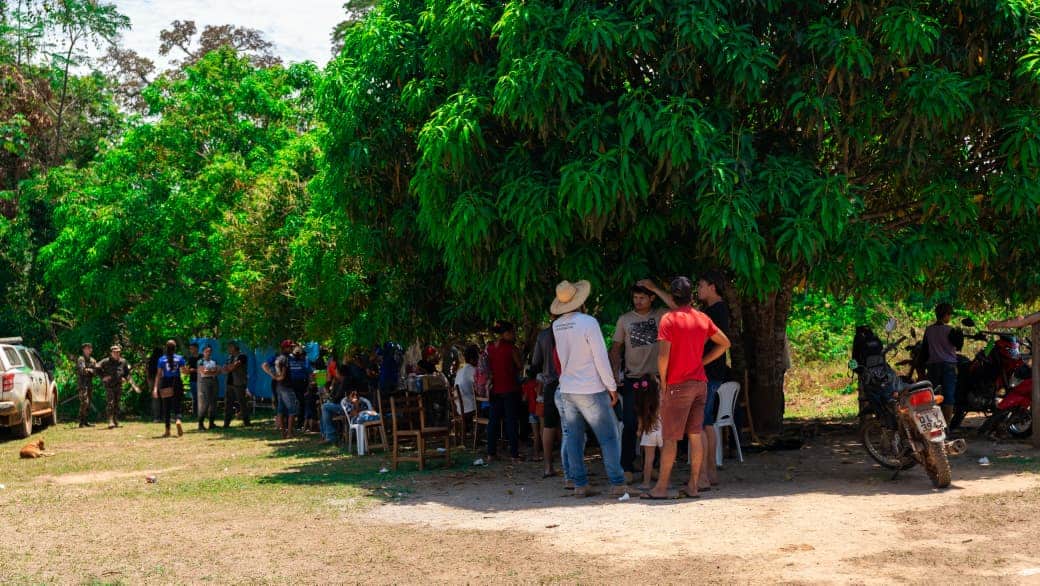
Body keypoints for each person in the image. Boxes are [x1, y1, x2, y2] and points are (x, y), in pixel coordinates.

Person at [644, 276, 730, 500]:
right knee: (695, 433)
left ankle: (661, 487)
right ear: (691, 296)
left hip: (677, 384)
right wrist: (703, 362)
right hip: (700, 383)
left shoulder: (668, 320)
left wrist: (664, 383)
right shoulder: (702, 317)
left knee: (670, 437)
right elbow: (725, 343)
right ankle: (694, 485)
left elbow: (663, 356)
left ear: (673, 297)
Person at [551, 279, 627, 497]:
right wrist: (611, 387)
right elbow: (600, 357)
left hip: (567, 388)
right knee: (609, 437)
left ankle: (580, 484)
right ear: (580, 301)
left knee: (574, 438)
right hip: (590, 388)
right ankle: (617, 482)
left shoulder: (557, 325)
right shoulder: (588, 322)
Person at [610, 283, 671, 483]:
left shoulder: (661, 315)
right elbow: (616, 348)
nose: (638, 301)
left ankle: (651, 467)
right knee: (630, 423)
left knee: (655, 424)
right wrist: (614, 373)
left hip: (655, 379)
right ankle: (627, 467)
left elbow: (678, 307)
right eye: (635, 297)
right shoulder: (624, 319)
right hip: (632, 379)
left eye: (642, 298)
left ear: (652, 298)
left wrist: (656, 288)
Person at [696, 271, 730, 488]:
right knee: (706, 420)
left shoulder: (718, 310)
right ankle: (710, 471)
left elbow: (723, 343)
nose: (698, 289)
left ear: (712, 286)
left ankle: (706, 474)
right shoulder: (709, 310)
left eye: (701, 285)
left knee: (702, 422)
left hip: (710, 373)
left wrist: (702, 362)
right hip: (710, 373)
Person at [486, 321, 523, 462]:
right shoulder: (511, 348)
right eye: (512, 332)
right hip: (510, 388)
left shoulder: (490, 348)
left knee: (493, 422)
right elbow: (519, 365)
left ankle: (491, 453)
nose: (514, 335)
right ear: (505, 333)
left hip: (495, 389)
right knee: (511, 421)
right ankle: (514, 454)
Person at [530, 322, 562, 479]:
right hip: (570, 383)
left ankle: (548, 467)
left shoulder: (543, 335)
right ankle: (570, 467)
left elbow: (535, 363)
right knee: (568, 426)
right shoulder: (572, 328)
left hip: (550, 384)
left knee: (548, 426)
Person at [924, 303, 958, 424]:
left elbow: (925, 349)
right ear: (946, 315)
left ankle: (933, 423)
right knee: (949, 395)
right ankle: (946, 425)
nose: (950, 317)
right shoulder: (950, 330)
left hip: (933, 365)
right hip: (949, 366)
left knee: (932, 395)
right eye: (949, 315)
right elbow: (958, 345)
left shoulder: (929, 330)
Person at [152, 340, 186, 437]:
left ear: (166, 348)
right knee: (177, 404)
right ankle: (178, 420)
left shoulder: (161, 359)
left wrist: (155, 388)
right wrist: (189, 370)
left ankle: (167, 430)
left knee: (166, 407)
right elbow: (184, 371)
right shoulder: (180, 358)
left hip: (166, 383)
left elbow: (158, 375)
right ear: (175, 348)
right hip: (177, 382)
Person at [97, 345, 131, 429]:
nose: (116, 353)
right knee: (110, 403)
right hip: (109, 385)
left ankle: (115, 420)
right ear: (111, 353)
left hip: (118, 385)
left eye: (118, 352)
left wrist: (125, 378)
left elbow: (127, 372)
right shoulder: (106, 361)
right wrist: (103, 376)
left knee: (117, 403)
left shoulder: (123, 361)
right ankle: (110, 421)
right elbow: (96, 368)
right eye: (115, 352)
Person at [637, 381, 662, 491]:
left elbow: (640, 421)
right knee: (665, 458)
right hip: (663, 431)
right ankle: (666, 482)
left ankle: (646, 483)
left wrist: (639, 431)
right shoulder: (662, 399)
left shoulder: (643, 402)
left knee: (648, 460)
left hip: (649, 432)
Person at [222, 341, 251, 427]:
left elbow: (233, 367)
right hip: (229, 383)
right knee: (228, 404)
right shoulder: (229, 357)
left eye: (229, 347)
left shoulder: (242, 356)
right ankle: (226, 423)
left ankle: (246, 422)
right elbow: (224, 369)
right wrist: (229, 367)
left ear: (234, 348)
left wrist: (229, 367)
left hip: (239, 383)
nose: (228, 349)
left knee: (242, 403)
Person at [455, 345, 478, 432]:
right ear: (472, 360)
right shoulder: (473, 370)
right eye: (477, 359)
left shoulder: (460, 371)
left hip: (459, 407)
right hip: (469, 407)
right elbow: (480, 387)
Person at [196, 345, 219, 430]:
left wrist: (210, 371)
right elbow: (203, 372)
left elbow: (218, 370)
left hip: (214, 381)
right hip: (205, 382)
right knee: (205, 403)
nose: (208, 353)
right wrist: (213, 371)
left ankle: (211, 423)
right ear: (203, 352)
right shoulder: (200, 361)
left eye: (210, 351)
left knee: (213, 402)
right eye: (206, 351)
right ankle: (200, 424)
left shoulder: (214, 361)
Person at [75, 342, 98, 428]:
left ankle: (85, 421)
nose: (88, 350)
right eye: (86, 348)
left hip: (89, 384)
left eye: (89, 348)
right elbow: (82, 371)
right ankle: (81, 422)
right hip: (82, 384)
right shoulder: (81, 359)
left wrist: (90, 370)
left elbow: (96, 371)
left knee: (89, 403)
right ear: (83, 350)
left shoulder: (93, 360)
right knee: (84, 402)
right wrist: (90, 370)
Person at [185, 342, 200, 419]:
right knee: (194, 398)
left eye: (192, 348)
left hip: (202, 380)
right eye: (190, 349)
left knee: (202, 397)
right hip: (193, 380)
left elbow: (205, 369)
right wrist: (187, 370)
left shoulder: (202, 357)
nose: (191, 350)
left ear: (196, 348)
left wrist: (195, 370)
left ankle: (202, 413)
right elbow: (187, 370)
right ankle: (195, 414)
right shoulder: (190, 358)